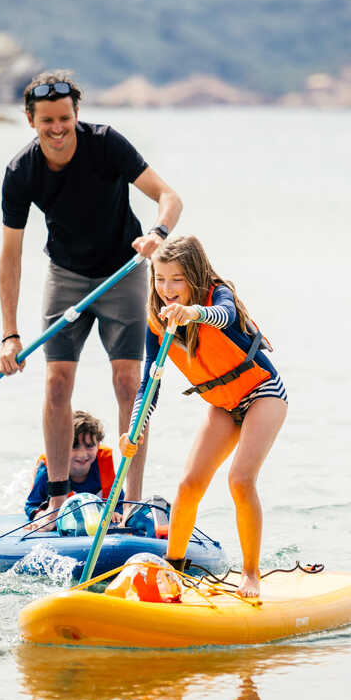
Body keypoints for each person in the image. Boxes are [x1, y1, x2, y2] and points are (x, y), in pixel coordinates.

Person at [0, 70, 182, 528]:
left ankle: (129, 504)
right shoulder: (21, 173)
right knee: (56, 384)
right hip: (66, 278)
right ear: (30, 120)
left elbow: (169, 197)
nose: (57, 129)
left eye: (65, 118)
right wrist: (9, 336)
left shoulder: (106, 144)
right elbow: (10, 258)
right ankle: (57, 503)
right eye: (47, 122)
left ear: (76, 114)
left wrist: (157, 234)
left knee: (127, 385)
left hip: (124, 273)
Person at [120, 235, 288, 598]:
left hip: (263, 393)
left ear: (194, 277)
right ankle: (173, 572)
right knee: (188, 485)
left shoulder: (217, 295)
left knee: (240, 479)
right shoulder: (157, 320)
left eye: (176, 279)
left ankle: (250, 574)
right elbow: (150, 383)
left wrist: (192, 312)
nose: (166, 289)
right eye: (160, 279)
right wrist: (135, 430)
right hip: (224, 405)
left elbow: (223, 317)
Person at [25, 410, 124, 524]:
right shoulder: (46, 472)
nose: (82, 454)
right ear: (61, 447)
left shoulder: (103, 466)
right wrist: (39, 514)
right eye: (74, 447)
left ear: (98, 444)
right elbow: (31, 505)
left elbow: (120, 502)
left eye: (89, 446)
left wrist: (115, 512)